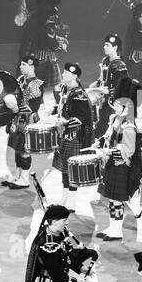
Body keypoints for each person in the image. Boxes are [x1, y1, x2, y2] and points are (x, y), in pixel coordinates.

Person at [95, 80, 142, 241]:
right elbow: (108, 136)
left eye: (117, 104)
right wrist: (100, 142)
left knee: (117, 200)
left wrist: (109, 151)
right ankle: (112, 226)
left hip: (120, 166)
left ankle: (117, 230)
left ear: (126, 107)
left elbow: (128, 151)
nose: (114, 107)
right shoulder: (115, 118)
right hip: (110, 164)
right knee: (111, 199)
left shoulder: (129, 126)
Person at [50, 62, 93, 210]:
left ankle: (72, 202)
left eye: (66, 73)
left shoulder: (79, 94)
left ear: (74, 76)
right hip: (65, 135)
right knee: (65, 170)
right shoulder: (67, 90)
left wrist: (65, 122)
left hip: (74, 137)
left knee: (72, 171)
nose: (63, 75)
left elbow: (84, 118)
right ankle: (64, 198)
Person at [3, 54, 48, 189]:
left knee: (24, 150)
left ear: (32, 67)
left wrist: (16, 109)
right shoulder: (20, 80)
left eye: (24, 65)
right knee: (17, 149)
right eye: (21, 64)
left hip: (27, 121)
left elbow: (33, 107)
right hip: (16, 120)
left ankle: (24, 179)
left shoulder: (37, 84)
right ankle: (17, 176)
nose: (21, 67)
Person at [18, 0, 66, 94]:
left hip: (28, 54)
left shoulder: (34, 14)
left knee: (33, 88)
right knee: (54, 86)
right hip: (42, 58)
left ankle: (35, 107)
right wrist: (60, 44)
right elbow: (50, 41)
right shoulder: (49, 16)